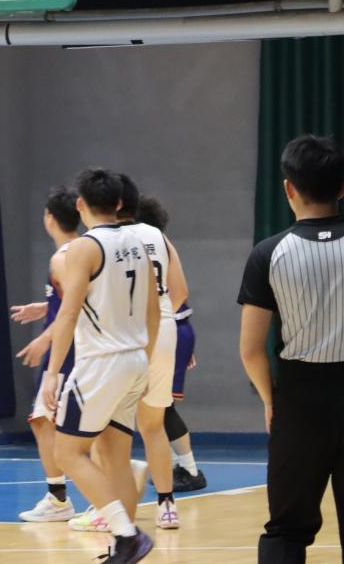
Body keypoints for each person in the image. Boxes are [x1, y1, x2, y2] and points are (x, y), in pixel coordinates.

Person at [238, 134, 344, 564]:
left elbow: (250, 349)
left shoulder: (267, 254)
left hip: (298, 399)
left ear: (288, 188)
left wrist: (271, 400)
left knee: (286, 528)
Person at [44, 168, 159, 564]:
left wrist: (52, 373)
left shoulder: (84, 248)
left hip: (101, 363)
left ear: (80, 204)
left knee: (67, 454)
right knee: (115, 457)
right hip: (135, 357)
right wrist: (148, 362)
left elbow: (68, 312)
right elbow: (152, 310)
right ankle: (122, 547)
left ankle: (127, 535)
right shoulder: (139, 243)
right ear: (120, 202)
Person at [118, 181, 188, 532]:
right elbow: (181, 292)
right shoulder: (159, 236)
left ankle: (112, 508)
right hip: (163, 329)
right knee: (153, 425)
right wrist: (160, 318)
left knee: (110, 428)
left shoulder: (108, 238)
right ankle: (167, 506)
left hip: (124, 334)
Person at [11, 184, 80, 522]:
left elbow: (73, 308)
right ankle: (60, 496)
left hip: (69, 351)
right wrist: (44, 307)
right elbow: (70, 299)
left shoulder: (63, 257)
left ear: (49, 218)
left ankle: (60, 499)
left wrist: (44, 339)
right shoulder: (79, 251)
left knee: (47, 421)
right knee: (46, 421)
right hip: (75, 348)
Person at [137, 197, 207, 493]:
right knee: (156, 409)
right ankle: (179, 466)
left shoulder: (142, 243)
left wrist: (164, 328)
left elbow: (178, 295)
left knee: (160, 408)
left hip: (168, 329)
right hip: (172, 329)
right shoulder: (159, 242)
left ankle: (190, 469)